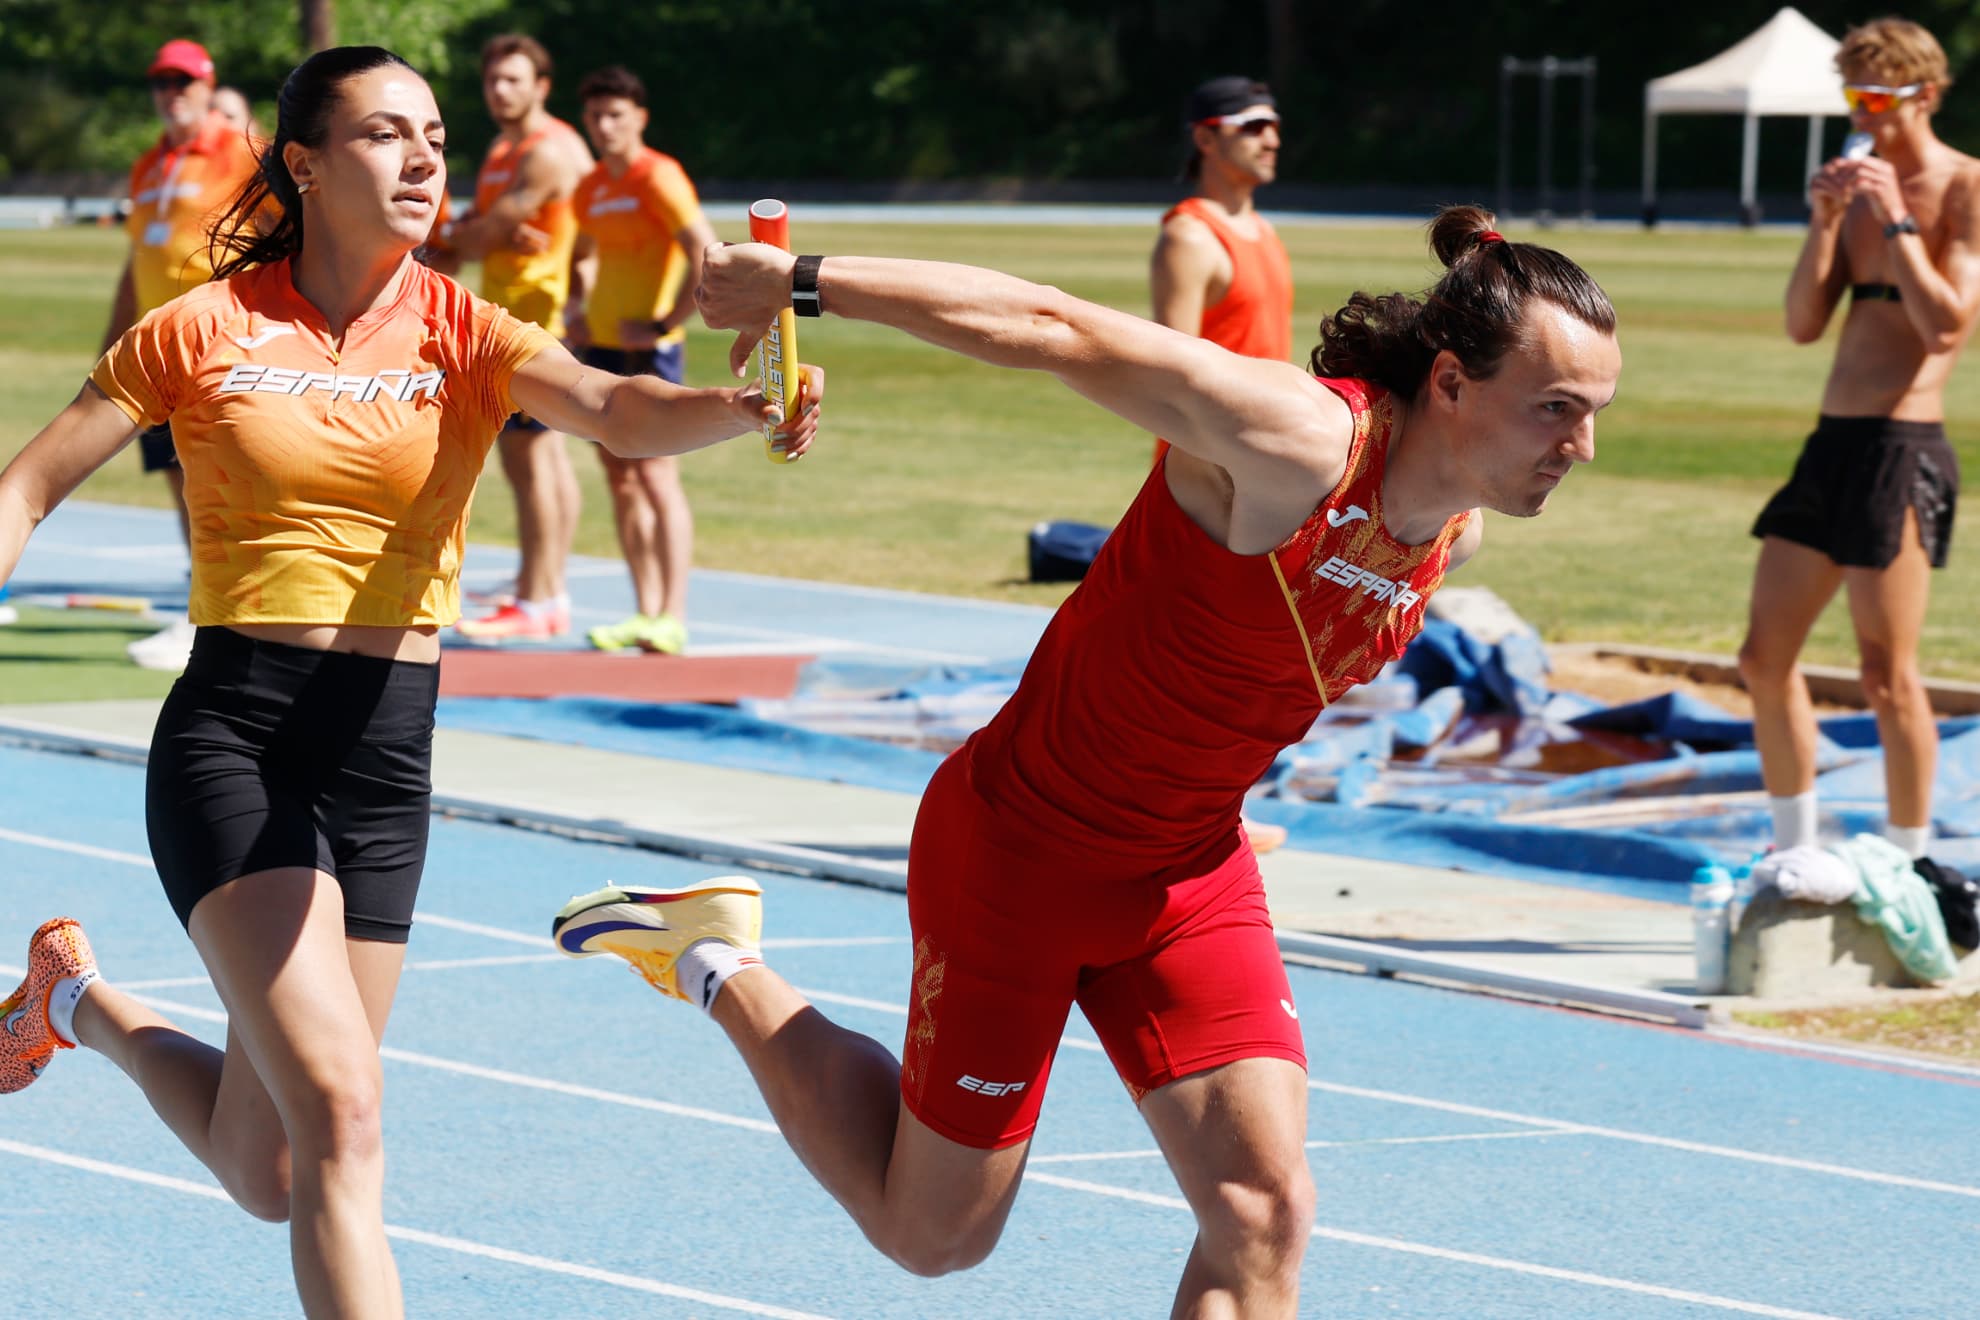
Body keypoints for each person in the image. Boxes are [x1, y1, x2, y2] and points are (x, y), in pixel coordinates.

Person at [555, 206, 1617, 1314]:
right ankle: (717, 960)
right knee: (933, 1237)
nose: (1579, 447)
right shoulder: (1298, 443)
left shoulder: (1459, 526)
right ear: (1449, 384)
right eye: (1555, 411)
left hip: (1185, 874)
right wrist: (803, 281)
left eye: (1592, 415)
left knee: (1263, 1210)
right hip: (1018, 857)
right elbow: (1054, 325)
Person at [0, 45, 817, 1319]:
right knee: (345, 1114)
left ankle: (78, 1001)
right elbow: (27, 485)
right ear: (308, 165)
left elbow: (614, 405)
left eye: (432, 133)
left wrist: (739, 406)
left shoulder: (463, 325)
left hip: (385, 758)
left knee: (270, 1167)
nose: (425, 156)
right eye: (386, 135)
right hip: (240, 740)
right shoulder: (204, 326)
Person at [1740, 17, 1980, 863]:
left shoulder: (1963, 186)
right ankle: (1792, 854)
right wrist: (1827, 217)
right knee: (1763, 659)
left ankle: (1913, 863)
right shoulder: (1854, 186)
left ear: (1927, 94)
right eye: (1854, 95)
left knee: (1887, 675)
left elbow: (1948, 326)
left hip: (1903, 448)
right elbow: (1805, 324)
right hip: (1832, 443)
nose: (1865, 112)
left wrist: (1896, 219)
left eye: (1879, 95)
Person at [1153, 74, 1295, 856]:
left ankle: (1214, 806)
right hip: (1212, 475)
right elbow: (1168, 370)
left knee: (1257, 651)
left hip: (1266, 468)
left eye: (1274, 125)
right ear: (1205, 138)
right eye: (1251, 127)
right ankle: (1195, 811)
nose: (1270, 138)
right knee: (1204, 649)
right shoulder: (1190, 237)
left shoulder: (1264, 233)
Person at [102, 39, 261, 672]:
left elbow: (293, 228)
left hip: (220, 348)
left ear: (207, 84)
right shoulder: (149, 165)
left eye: (183, 82)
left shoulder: (243, 151)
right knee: (181, 482)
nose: (172, 93)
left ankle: (225, 616)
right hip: (155, 353)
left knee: (223, 482)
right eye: (162, 83)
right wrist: (113, 341)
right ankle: (208, 606)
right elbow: (137, 259)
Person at [565, 65, 719, 653]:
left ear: (639, 119)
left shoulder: (659, 177)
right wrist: (578, 304)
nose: (604, 126)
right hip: (600, 347)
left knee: (656, 474)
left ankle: (672, 614)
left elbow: (705, 251)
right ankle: (643, 608)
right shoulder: (590, 187)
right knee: (620, 477)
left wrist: (663, 323)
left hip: (649, 349)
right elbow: (579, 254)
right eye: (596, 116)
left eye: (615, 116)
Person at [446, 34, 593, 641]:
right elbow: (480, 234)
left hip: (541, 319)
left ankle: (539, 598)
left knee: (528, 458)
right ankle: (544, 584)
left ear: (541, 85)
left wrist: (478, 234)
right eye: (492, 80)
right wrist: (479, 234)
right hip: (514, 315)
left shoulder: (547, 151)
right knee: (540, 457)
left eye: (513, 79)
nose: (500, 90)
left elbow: (477, 236)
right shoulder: (504, 148)